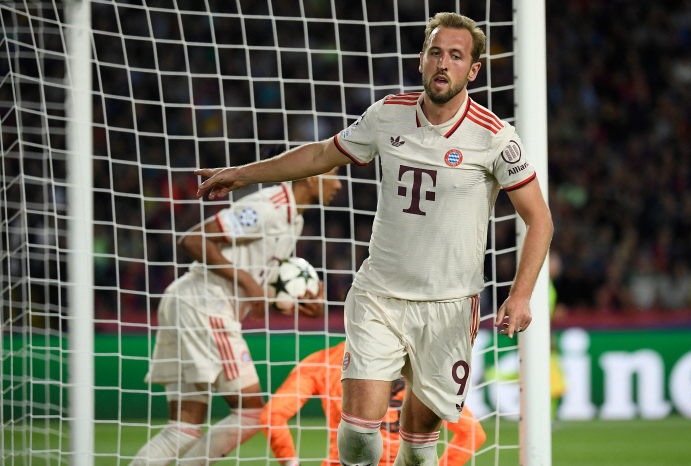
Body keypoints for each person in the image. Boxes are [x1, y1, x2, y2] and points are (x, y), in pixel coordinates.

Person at [196, 12, 553, 465]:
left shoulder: (495, 137)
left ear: (473, 69)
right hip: (379, 296)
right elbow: (321, 154)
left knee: (419, 445)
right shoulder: (387, 115)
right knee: (360, 434)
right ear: (421, 59)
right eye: (436, 53)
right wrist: (241, 174)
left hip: (449, 306)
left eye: (456, 56)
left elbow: (539, 218)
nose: (444, 64)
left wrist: (521, 296)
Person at [130, 170, 342, 466]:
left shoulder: (294, 220)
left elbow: (255, 282)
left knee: (183, 428)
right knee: (252, 414)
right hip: (205, 304)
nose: (338, 184)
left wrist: (294, 306)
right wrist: (246, 281)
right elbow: (194, 240)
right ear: (309, 176)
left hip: (193, 303)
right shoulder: (268, 208)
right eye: (333, 174)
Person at [261, 340, 486, 465]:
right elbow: (473, 433)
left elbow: (272, 415)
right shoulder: (416, 366)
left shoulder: (323, 362)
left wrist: (290, 463)